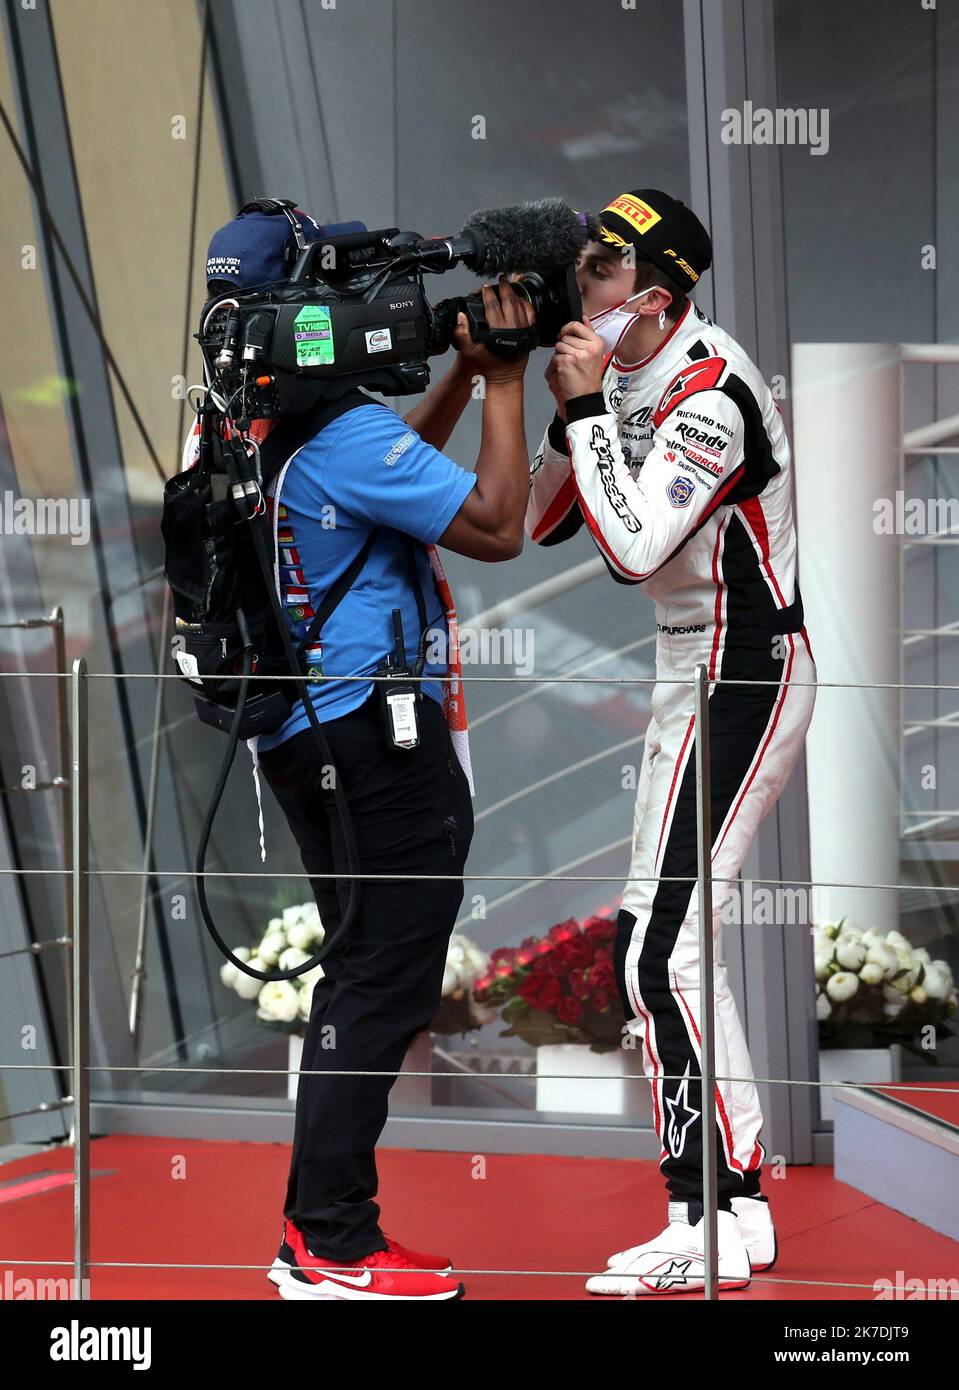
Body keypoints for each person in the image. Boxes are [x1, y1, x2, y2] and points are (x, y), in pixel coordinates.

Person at [190, 204, 535, 1301]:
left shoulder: (241, 422)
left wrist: (455, 379)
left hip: (303, 737)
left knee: (362, 974)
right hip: (374, 746)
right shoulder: (339, 437)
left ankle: (324, 1233)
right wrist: (506, 381)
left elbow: (382, 475)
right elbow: (490, 523)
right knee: (380, 982)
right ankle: (328, 1244)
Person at [525, 188, 817, 1295]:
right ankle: (733, 1208)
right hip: (684, 668)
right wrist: (555, 398)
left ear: (653, 294)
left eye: (599, 269)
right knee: (666, 944)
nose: (578, 285)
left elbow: (636, 549)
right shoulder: (618, 369)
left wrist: (593, 407)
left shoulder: (712, 390)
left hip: (746, 668)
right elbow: (545, 519)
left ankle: (697, 1209)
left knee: (654, 954)